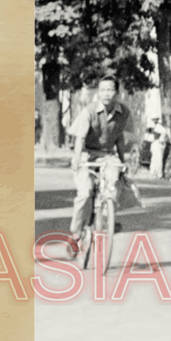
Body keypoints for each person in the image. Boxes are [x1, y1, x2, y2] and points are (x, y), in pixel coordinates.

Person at [68, 74, 137, 249]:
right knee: (85, 193)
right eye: (103, 90)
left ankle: (107, 219)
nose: (106, 94)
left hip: (108, 155)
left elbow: (120, 139)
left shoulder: (124, 113)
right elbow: (79, 139)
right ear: (99, 92)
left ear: (117, 93)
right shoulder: (89, 111)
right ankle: (75, 234)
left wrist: (122, 162)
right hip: (86, 155)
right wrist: (76, 160)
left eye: (110, 90)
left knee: (113, 184)